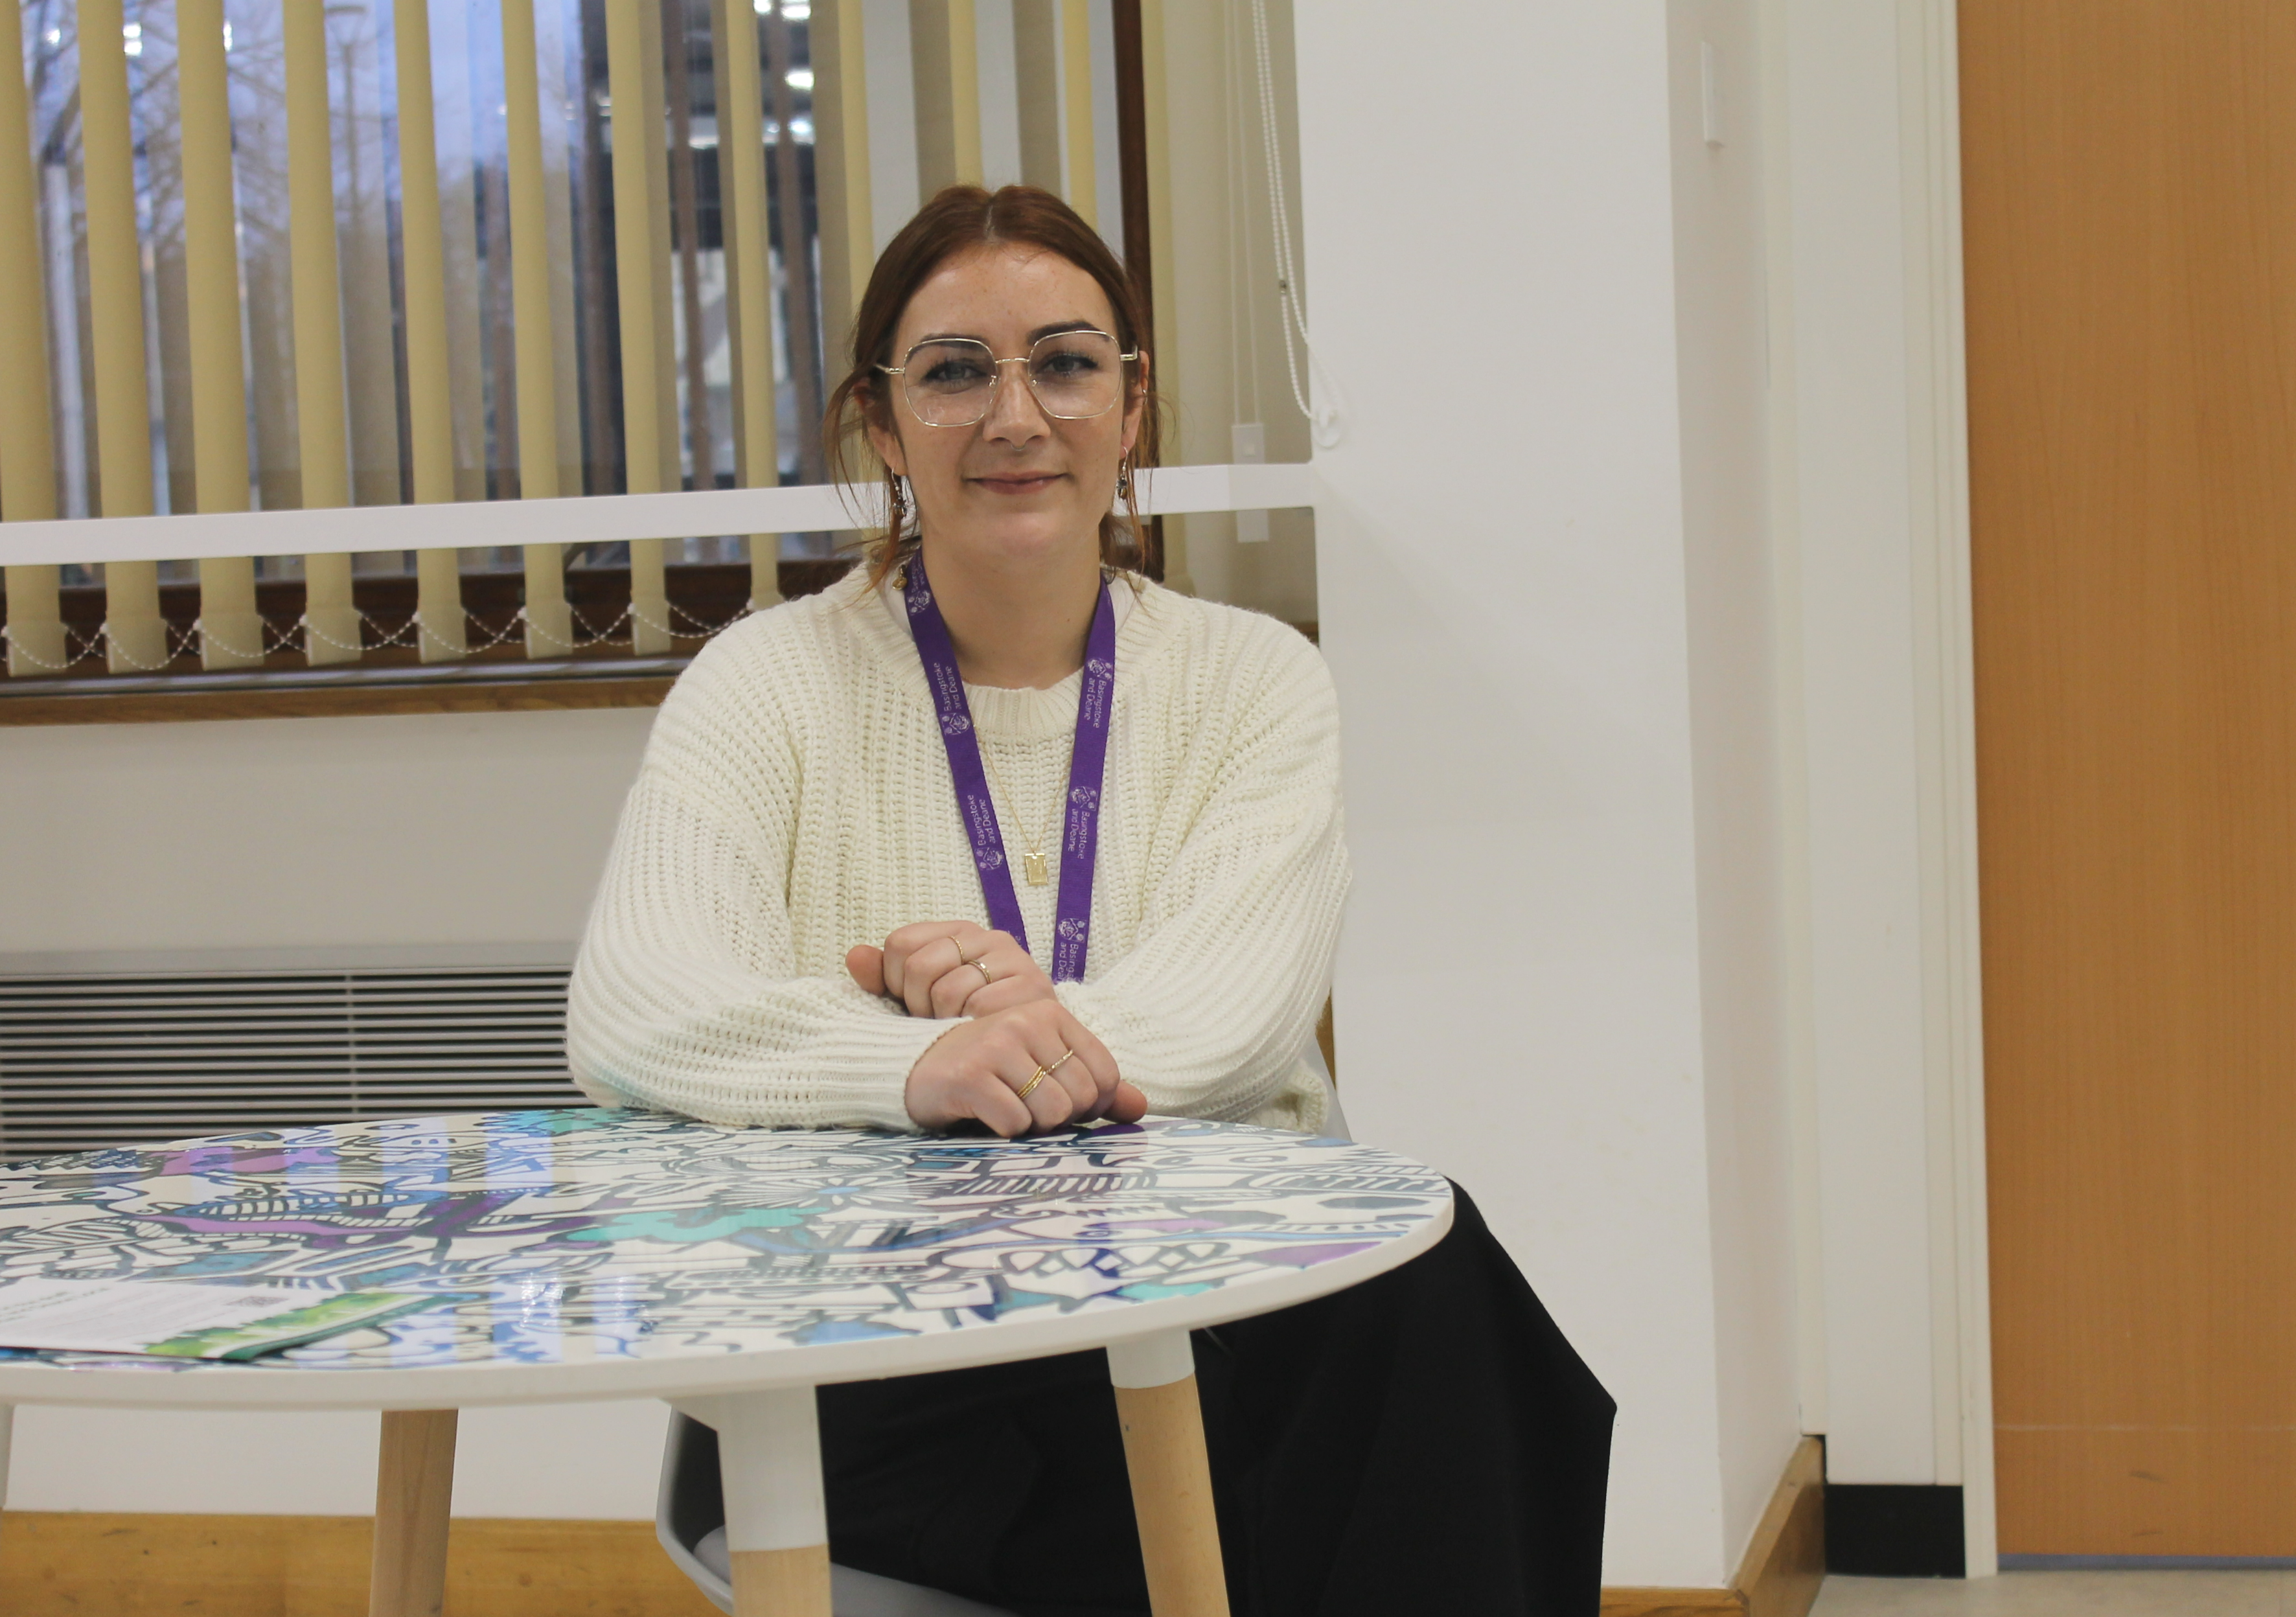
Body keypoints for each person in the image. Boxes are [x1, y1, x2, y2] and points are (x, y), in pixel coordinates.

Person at [568, 185, 1613, 1617]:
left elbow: (1232, 1025)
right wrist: (914, 1057)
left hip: (1213, 1312)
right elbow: (638, 1011)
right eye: (951, 372)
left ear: (1130, 409)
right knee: (1395, 1437)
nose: (1013, 416)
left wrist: (996, 1029)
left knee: (1442, 1291)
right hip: (895, 1341)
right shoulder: (766, 681)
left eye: (1063, 363)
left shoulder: (1250, 679)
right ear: (882, 425)